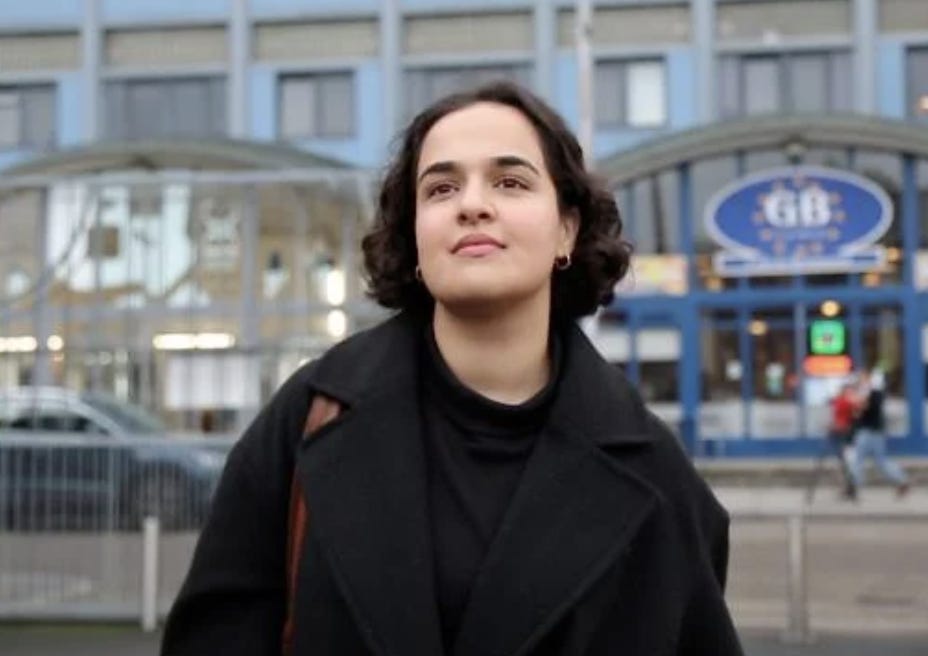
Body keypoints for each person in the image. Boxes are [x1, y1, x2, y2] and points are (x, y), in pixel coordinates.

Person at [161, 81, 743, 656]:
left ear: (566, 229)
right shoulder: (310, 418)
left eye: (510, 182)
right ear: (414, 237)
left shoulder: (657, 479)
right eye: (440, 189)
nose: (471, 204)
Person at [850, 369, 910, 497]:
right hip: (873, 431)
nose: (860, 381)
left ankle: (854, 486)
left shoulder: (873, 394)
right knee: (880, 461)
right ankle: (901, 481)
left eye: (862, 378)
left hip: (869, 431)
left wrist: (858, 404)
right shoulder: (870, 393)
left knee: (858, 459)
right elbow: (859, 411)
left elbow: (863, 409)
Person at [828, 380, 862, 500]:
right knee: (845, 462)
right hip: (842, 434)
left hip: (843, 434)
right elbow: (856, 412)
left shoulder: (842, 401)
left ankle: (849, 487)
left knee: (845, 462)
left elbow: (856, 414)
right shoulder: (844, 401)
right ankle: (849, 487)